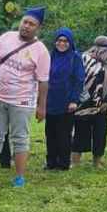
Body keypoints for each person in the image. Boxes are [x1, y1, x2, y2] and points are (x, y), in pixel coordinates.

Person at [0, 6, 50, 187]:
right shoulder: (5, 38)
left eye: (32, 24)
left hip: (22, 102)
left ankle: (20, 177)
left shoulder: (41, 51)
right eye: (25, 22)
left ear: (38, 28)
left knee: (20, 138)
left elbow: (43, 81)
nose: (27, 26)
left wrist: (41, 106)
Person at [72, 36, 107, 168]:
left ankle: (97, 161)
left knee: (100, 134)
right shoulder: (83, 60)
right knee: (81, 133)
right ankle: (75, 161)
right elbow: (78, 81)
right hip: (84, 105)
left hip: (101, 108)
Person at [44, 28, 85, 170]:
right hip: (51, 101)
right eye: (59, 41)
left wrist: (74, 100)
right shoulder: (50, 56)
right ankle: (51, 162)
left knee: (64, 134)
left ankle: (63, 163)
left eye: (65, 41)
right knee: (50, 133)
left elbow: (79, 80)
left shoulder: (75, 58)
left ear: (70, 42)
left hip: (67, 102)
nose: (62, 43)